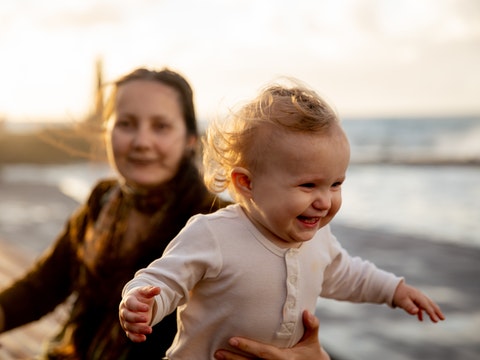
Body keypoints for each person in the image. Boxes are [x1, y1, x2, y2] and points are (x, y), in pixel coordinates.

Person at [0, 67, 327, 360]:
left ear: (189, 140)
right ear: (108, 132)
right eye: (126, 124)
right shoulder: (102, 201)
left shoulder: (224, 223)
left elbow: (279, 320)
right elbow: (42, 288)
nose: (142, 141)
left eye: (160, 126)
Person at [119, 80, 445, 359]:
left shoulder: (319, 239)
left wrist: (394, 290)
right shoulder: (213, 234)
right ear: (247, 183)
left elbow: (347, 274)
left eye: (336, 184)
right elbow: (166, 279)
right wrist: (144, 302)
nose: (325, 200)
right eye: (308, 185)